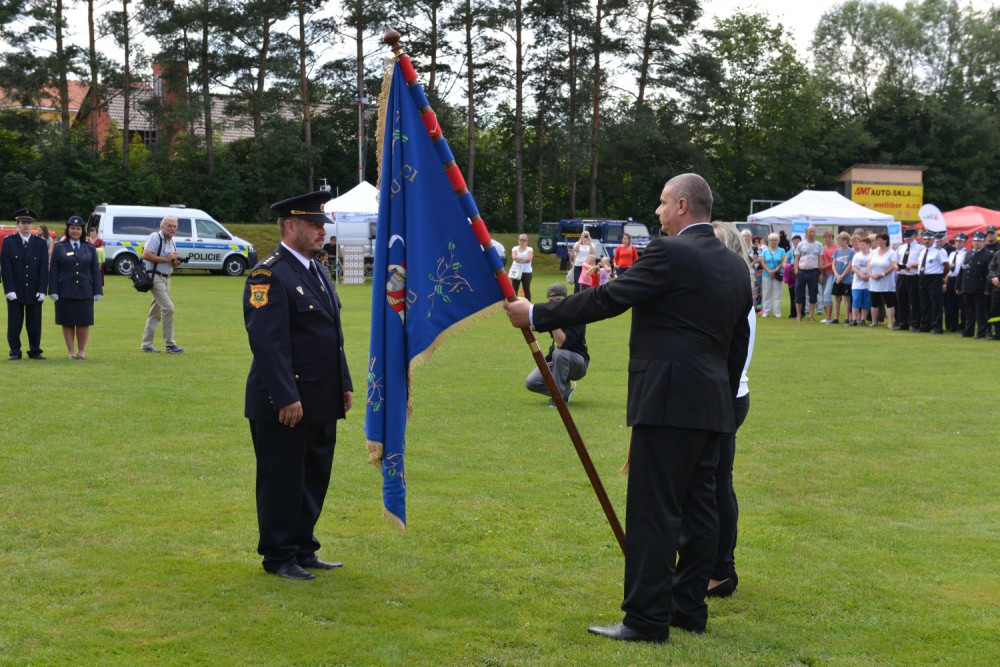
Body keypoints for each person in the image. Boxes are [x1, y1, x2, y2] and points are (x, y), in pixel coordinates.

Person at [505, 173, 751, 643]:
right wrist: (721, 393)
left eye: (661, 203)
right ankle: (688, 610)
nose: (656, 213)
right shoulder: (736, 266)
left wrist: (538, 314)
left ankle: (645, 618)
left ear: (682, 205)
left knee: (653, 512)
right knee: (701, 511)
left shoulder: (670, 252)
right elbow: (736, 343)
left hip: (666, 401)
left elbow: (609, 297)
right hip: (712, 405)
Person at [243, 190, 354, 581]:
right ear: (289, 226)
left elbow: (331, 334)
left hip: (322, 396)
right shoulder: (268, 274)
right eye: (314, 224)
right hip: (286, 401)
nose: (321, 232)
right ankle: (278, 556)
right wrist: (285, 396)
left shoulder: (317, 269)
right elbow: (268, 343)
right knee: (282, 479)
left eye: (322, 225)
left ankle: (303, 547)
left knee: (312, 476)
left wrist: (344, 382)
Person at [707, 221, 756, 599]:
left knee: (719, 486)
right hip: (726, 395)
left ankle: (722, 570)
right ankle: (713, 564)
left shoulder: (735, 295)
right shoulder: (734, 290)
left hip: (725, 397)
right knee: (713, 484)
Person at [524, 283, 589, 407]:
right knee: (532, 382)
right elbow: (529, 324)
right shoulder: (550, 315)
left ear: (566, 300)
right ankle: (563, 391)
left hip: (578, 364)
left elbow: (562, 343)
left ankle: (558, 400)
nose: (554, 304)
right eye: (551, 301)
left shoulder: (577, 316)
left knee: (559, 353)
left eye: (558, 300)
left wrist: (552, 320)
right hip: (558, 360)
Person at [49, 216, 103, 359]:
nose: (75, 231)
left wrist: (98, 291)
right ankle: (71, 352)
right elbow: (53, 269)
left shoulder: (90, 248)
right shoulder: (60, 247)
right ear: (68, 229)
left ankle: (81, 351)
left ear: (82, 230)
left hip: (85, 290)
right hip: (64, 290)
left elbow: (95, 271)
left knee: (84, 322)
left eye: (78, 228)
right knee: (67, 322)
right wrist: (53, 290)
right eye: (72, 228)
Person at [2, 208, 49, 360]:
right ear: (17, 224)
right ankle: (15, 351)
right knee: (15, 322)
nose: (26, 225)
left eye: (29, 223)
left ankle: (35, 350)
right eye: (23, 222)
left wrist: (43, 289)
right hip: (16, 289)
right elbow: (6, 268)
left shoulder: (40, 243)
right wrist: (9, 289)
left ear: (32, 225)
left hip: (34, 289)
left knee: (34, 322)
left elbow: (43, 268)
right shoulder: (9, 242)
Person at [140, 215, 185, 353]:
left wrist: (175, 263)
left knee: (156, 313)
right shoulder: (155, 237)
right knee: (168, 308)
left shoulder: (172, 242)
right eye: (169, 226)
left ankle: (146, 345)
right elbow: (145, 255)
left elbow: (170, 263)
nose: (172, 229)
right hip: (155, 277)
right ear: (162, 227)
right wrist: (166, 259)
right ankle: (170, 344)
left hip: (167, 278)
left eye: (174, 226)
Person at [957, 231, 991, 339]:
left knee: (980, 312)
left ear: (983, 242)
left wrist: (987, 288)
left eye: (979, 241)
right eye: (975, 241)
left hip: (979, 288)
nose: (976, 243)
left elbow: (988, 274)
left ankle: (981, 332)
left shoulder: (987, 255)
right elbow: (962, 270)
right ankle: (969, 331)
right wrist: (958, 285)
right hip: (967, 287)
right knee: (968, 311)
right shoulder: (968, 253)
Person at [916, 231, 949, 334]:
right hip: (922, 277)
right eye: (925, 239)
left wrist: (942, 276)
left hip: (934, 277)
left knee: (936, 304)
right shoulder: (922, 251)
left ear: (933, 239)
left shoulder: (939, 251)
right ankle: (925, 325)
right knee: (924, 303)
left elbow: (946, 265)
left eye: (929, 239)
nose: (926, 241)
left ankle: (937, 327)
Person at [868, 233, 898, 328]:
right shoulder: (873, 252)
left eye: (880, 240)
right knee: (874, 302)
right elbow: (868, 265)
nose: (878, 242)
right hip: (874, 281)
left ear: (885, 241)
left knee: (889, 302)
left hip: (886, 281)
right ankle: (874, 321)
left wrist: (883, 274)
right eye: (877, 240)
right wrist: (871, 274)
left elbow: (892, 266)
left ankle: (890, 322)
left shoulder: (891, 252)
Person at [895, 228, 922, 330]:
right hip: (902, 275)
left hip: (913, 276)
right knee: (901, 300)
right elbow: (894, 261)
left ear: (914, 236)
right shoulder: (901, 248)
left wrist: (912, 265)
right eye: (905, 238)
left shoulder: (920, 248)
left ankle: (915, 324)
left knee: (914, 301)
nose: (907, 240)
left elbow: (921, 262)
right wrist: (896, 266)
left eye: (909, 238)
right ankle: (903, 323)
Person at [794, 225, 823, 321]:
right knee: (799, 293)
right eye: (810, 231)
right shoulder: (801, 244)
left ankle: (811, 315)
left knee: (813, 294)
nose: (812, 233)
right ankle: (798, 315)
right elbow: (797, 258)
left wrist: (821, 273)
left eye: (813, 231)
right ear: (806, 233)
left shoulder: (819, 245)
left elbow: (820, 260)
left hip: (813, 271)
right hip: (802, 271)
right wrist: (796, 269)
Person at [828, 232, 854, 325]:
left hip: (846, 279)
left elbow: (850, 265)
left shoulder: (851, 251)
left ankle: (847, 318)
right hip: (837, 278)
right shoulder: (837, 251)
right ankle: (836, 317)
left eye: (840, 240)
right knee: (837, 298)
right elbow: (833, 264)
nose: (838, 242)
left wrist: (842, 275)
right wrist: (837, 275)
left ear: (845, 240)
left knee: (847, 298)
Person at [759, 232, 786, 317]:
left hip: (778, 274)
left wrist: (776, 270)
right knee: (766, 293)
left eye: (775, 240)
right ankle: (766, 311)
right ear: (769, 241)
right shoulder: (765, 250)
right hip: (767, 274)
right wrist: (769, 271)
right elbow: (762, 262)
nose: (773, 242)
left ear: (778, 241)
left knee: (778, 294)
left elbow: (783, 261)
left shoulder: (782, 250)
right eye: (771, 240)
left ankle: (777, 312)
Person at [945, 233, 968, 333]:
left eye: (960, 241)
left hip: (960, 279)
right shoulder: (952, 254)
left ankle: (962, 325)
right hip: (951, 279)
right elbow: (949, 268)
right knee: (951, 303)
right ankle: (952, 325)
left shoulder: (966, 253)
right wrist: (946, 280)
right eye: (956, 241)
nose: (958, 243)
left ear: (964, 242)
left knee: (962, 304)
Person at [849, 236, 872, 326]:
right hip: (857, 283)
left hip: (869, 283)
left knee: (866, 301)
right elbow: (853, 267)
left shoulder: (872, 255)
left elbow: (873, 267)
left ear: (868, 245)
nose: (861, 247)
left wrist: (868, 275)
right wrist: (861, 275)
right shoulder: (857, 255)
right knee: (856, 299)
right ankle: (854, 319)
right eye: (860, 245)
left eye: (863, 245)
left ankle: (863, 319)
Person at [510, 234, 534, 300]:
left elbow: (528, 259)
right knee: (514, 289)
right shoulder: (515, 248)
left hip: (526, 272)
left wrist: (518, 259)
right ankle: (513, 304)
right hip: (516, 271)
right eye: (521, 240)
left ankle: (528, 305)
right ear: (518, 240)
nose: (522, 241)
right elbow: (514, 257)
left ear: (526, 241)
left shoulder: (530, 249)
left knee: (526, 289)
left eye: (524, 240)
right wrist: (523, 259)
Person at [820, 230, 836, 322]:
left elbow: (835, 261)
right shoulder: (822, 248)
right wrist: (821, 273)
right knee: (823, 295)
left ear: (832, 238)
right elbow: (821, 261)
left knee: (827, 294)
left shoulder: (836, 248)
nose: (827, 239)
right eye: (825, 237)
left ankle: (829, 317)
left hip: (832, 273)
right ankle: (827, 316)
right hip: (824, 273)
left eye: (829, 237)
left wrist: (824, 266)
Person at [785, 235, 800, 317]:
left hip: (799, 273)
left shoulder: (802, 250)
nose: (795, 242)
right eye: (794, 240)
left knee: (799, 293)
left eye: (797, 240)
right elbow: (785, 261)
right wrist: (787, 267)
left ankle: (801, 312)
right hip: (791, 274)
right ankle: (793, 312)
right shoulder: (790, 251)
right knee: (791, 294)